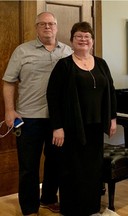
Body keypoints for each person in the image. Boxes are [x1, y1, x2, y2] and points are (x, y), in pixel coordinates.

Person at [2, 12, 73, 215]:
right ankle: (29, 208)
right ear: (36, 28)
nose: (47, 27)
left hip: (58, 120)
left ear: (57, 27)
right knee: (28, 167)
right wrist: (9, 110)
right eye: (42, 24)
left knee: (55, 163)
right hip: (28, 118)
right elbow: (8, 82)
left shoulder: (67, 52)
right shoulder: (22, 51)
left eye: (51, 24)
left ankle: (48, 198)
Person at [46, 21, 117, 216]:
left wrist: (112, 118)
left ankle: (91, 207)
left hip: (95, 126)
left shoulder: (101, 64)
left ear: (92, 41)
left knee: (92, 170)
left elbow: (110, 91)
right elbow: (53, 97)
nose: (83, 39)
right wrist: (57, 127)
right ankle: (71, 209)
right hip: (71, 127)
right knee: (72, 169)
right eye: (79, 36)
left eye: (87, 36)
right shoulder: (64, 65)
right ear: (71, 40)